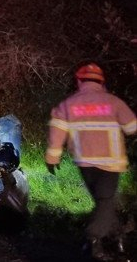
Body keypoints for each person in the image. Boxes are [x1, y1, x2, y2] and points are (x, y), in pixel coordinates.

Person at [45, 63, 136, 260]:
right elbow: (131, 127)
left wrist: (52, 158)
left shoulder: (68, 105)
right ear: (102, 81)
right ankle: (93, 238)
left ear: (79, 81)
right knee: (105, 201)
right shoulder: (113, 102)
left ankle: (117, 239)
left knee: (103, 202)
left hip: (85, 163)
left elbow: (56, 133)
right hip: (111, 163)